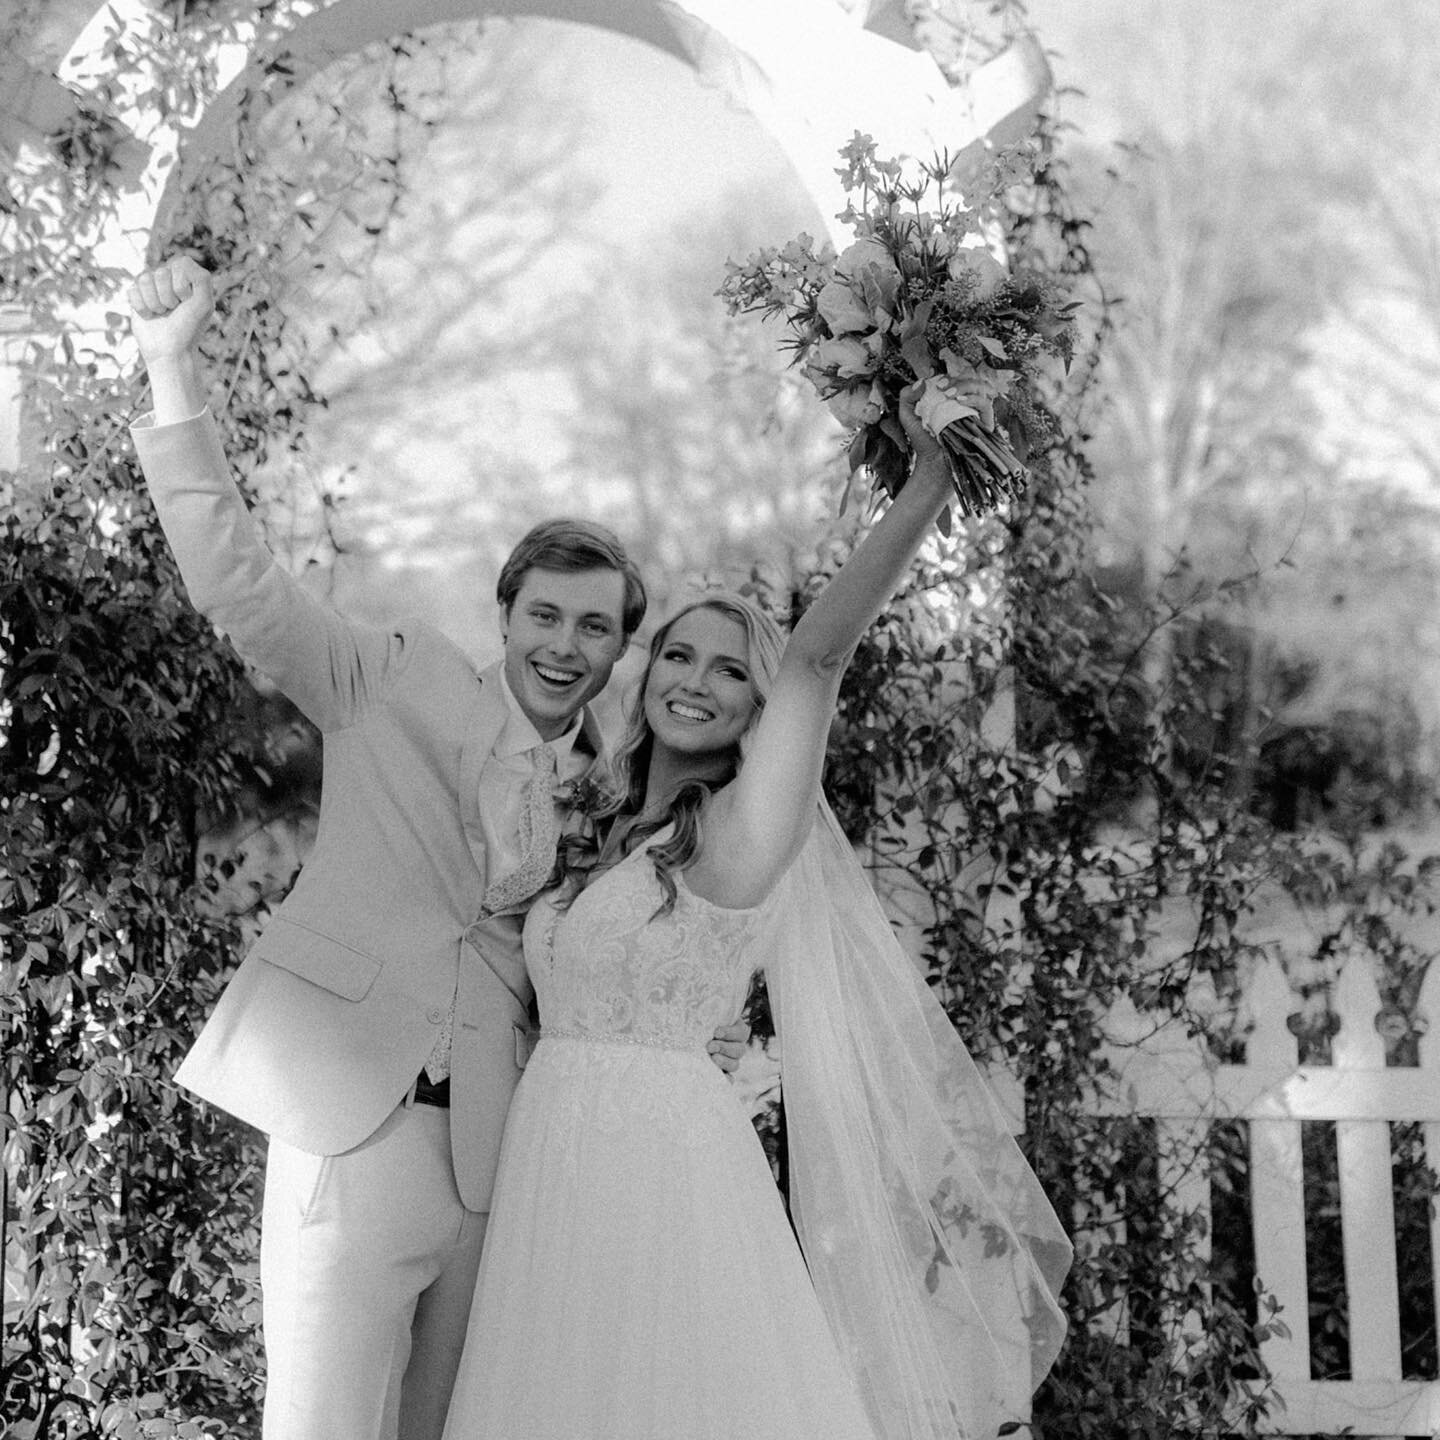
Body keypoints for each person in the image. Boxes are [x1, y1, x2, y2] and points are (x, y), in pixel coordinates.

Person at [125, 256, 748, 1440]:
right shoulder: (392, 679)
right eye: (545, 617)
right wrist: (169, 371)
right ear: (504, 614)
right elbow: (241, 586)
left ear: (621, 650)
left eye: (596, 629)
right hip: (351, 1122)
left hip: (491, 1167)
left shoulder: (611, 796)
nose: (566, 647)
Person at [441, 398, 1072, 1439]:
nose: (697, 682)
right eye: (681, 656)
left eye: (733, 671)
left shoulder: (740, 832)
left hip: (661, 1167)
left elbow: (820, 661)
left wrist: (923, 488)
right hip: (548, 1160)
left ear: (757, 706)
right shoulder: (596, 817)